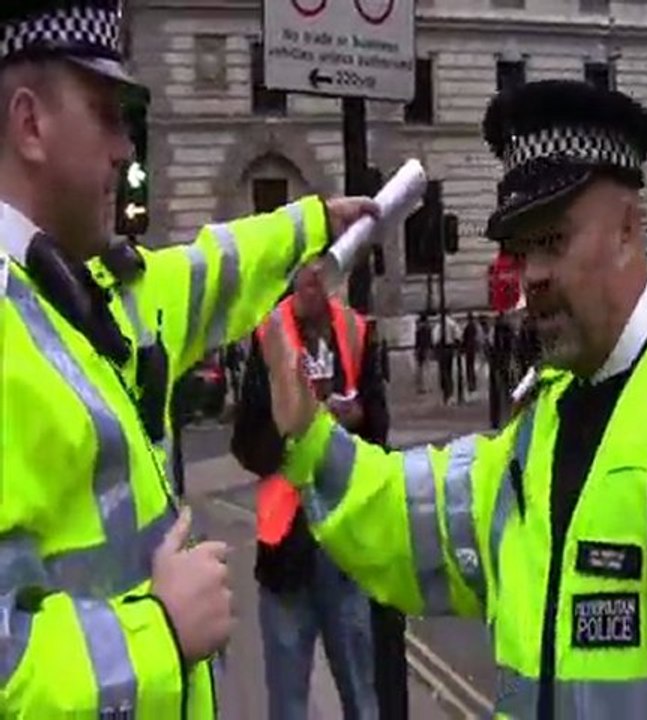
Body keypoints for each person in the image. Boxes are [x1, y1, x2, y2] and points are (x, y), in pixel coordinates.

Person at [262, 80, 647, 718]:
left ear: (629, 231)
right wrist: (310, 436)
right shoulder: (543, 417)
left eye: (554, 241)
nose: (533, 276)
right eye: (522, 249)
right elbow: (418, 524)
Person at [0, 2, 376, 716]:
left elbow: (213, 272)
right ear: (30, 124)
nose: (127, 150)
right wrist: (160, 631)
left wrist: (316, 221)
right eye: (107, 115)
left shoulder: (88, 285)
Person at [231, 262, 391, 720]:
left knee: (362, 698)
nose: (313, 276)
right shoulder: (269, 335)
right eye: (304, 268)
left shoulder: (357, 332)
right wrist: (292, 427)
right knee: (288, 705)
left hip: (346, 548)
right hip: (286, 549)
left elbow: (381, 431)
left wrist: (355, 419)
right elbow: (245, 443)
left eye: (323, 266)